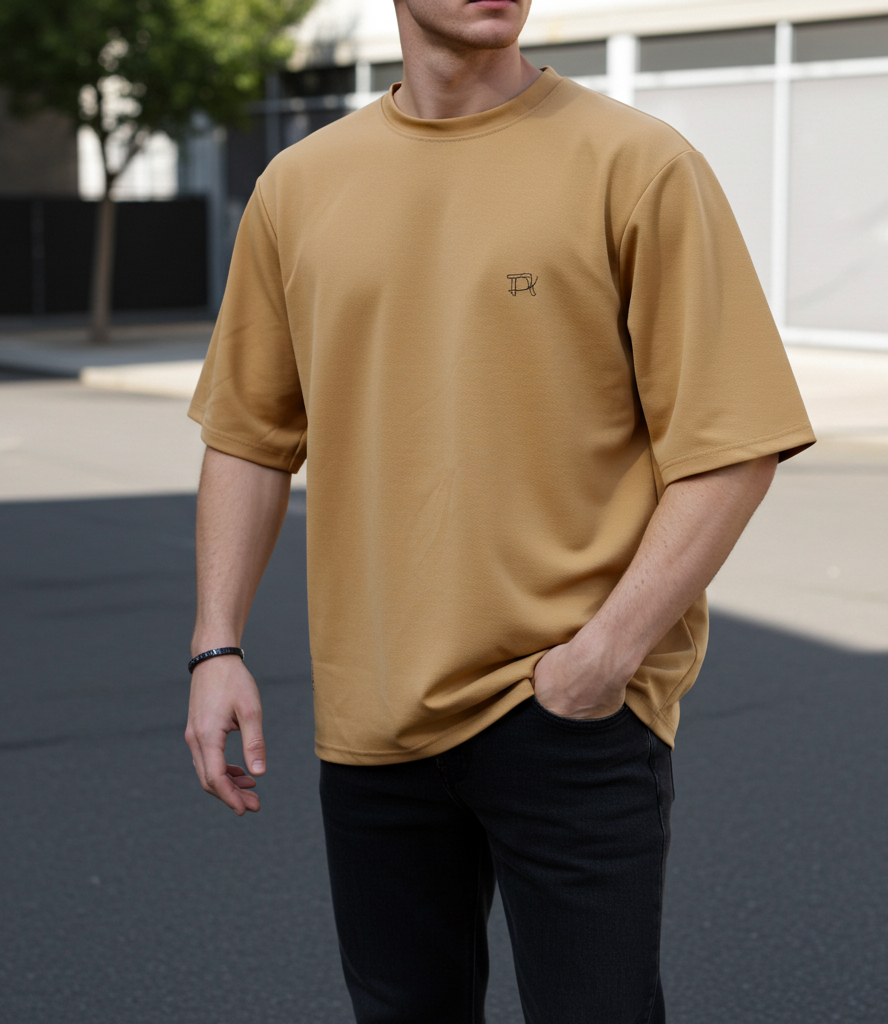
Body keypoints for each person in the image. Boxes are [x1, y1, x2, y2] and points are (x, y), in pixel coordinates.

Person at [184, 0, 815, 1020]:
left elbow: (731, 446)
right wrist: (216, 646)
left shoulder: (636, 164)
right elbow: (248, 436)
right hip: (373, 715)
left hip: (567, 705)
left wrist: (604, 656)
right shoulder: (299, 187)